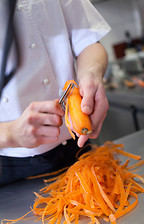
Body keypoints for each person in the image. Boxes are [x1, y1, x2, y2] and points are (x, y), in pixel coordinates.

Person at [0, 0, 111, 186]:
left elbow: (88, 42)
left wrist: (91, 74)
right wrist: (10, 133)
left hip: (77, 145)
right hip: (9, 166)